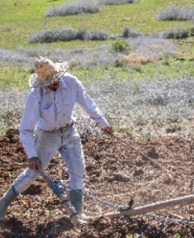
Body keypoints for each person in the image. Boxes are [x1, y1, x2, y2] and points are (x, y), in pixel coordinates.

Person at [0, 57, 113, 222]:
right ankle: (2, 205)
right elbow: (25, 129)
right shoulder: (35, 95)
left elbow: (88, 102)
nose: (54, 83)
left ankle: (77, 212)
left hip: (69, 132)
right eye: (49, 82)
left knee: (78, 170)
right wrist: (32, 155)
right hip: (47, 136)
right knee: (32, 173)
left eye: (55, 79)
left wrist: (103, 123)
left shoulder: (71, 82)